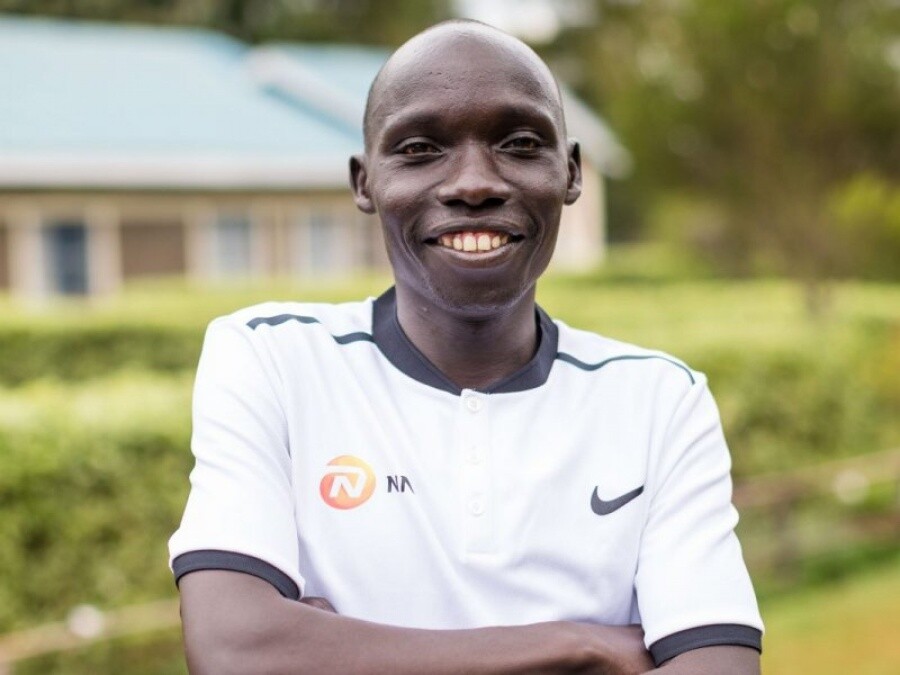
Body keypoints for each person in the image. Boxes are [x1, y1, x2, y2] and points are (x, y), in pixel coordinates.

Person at [169, 20, 763, 675]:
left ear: (570, 172)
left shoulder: (659, 400)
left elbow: (720, 666)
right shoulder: (270, 360)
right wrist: (581, 644)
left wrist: (333, 648)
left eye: (519, 143)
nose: (474, 183)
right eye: (421, 148)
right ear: (365, 182)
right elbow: (237, 650)